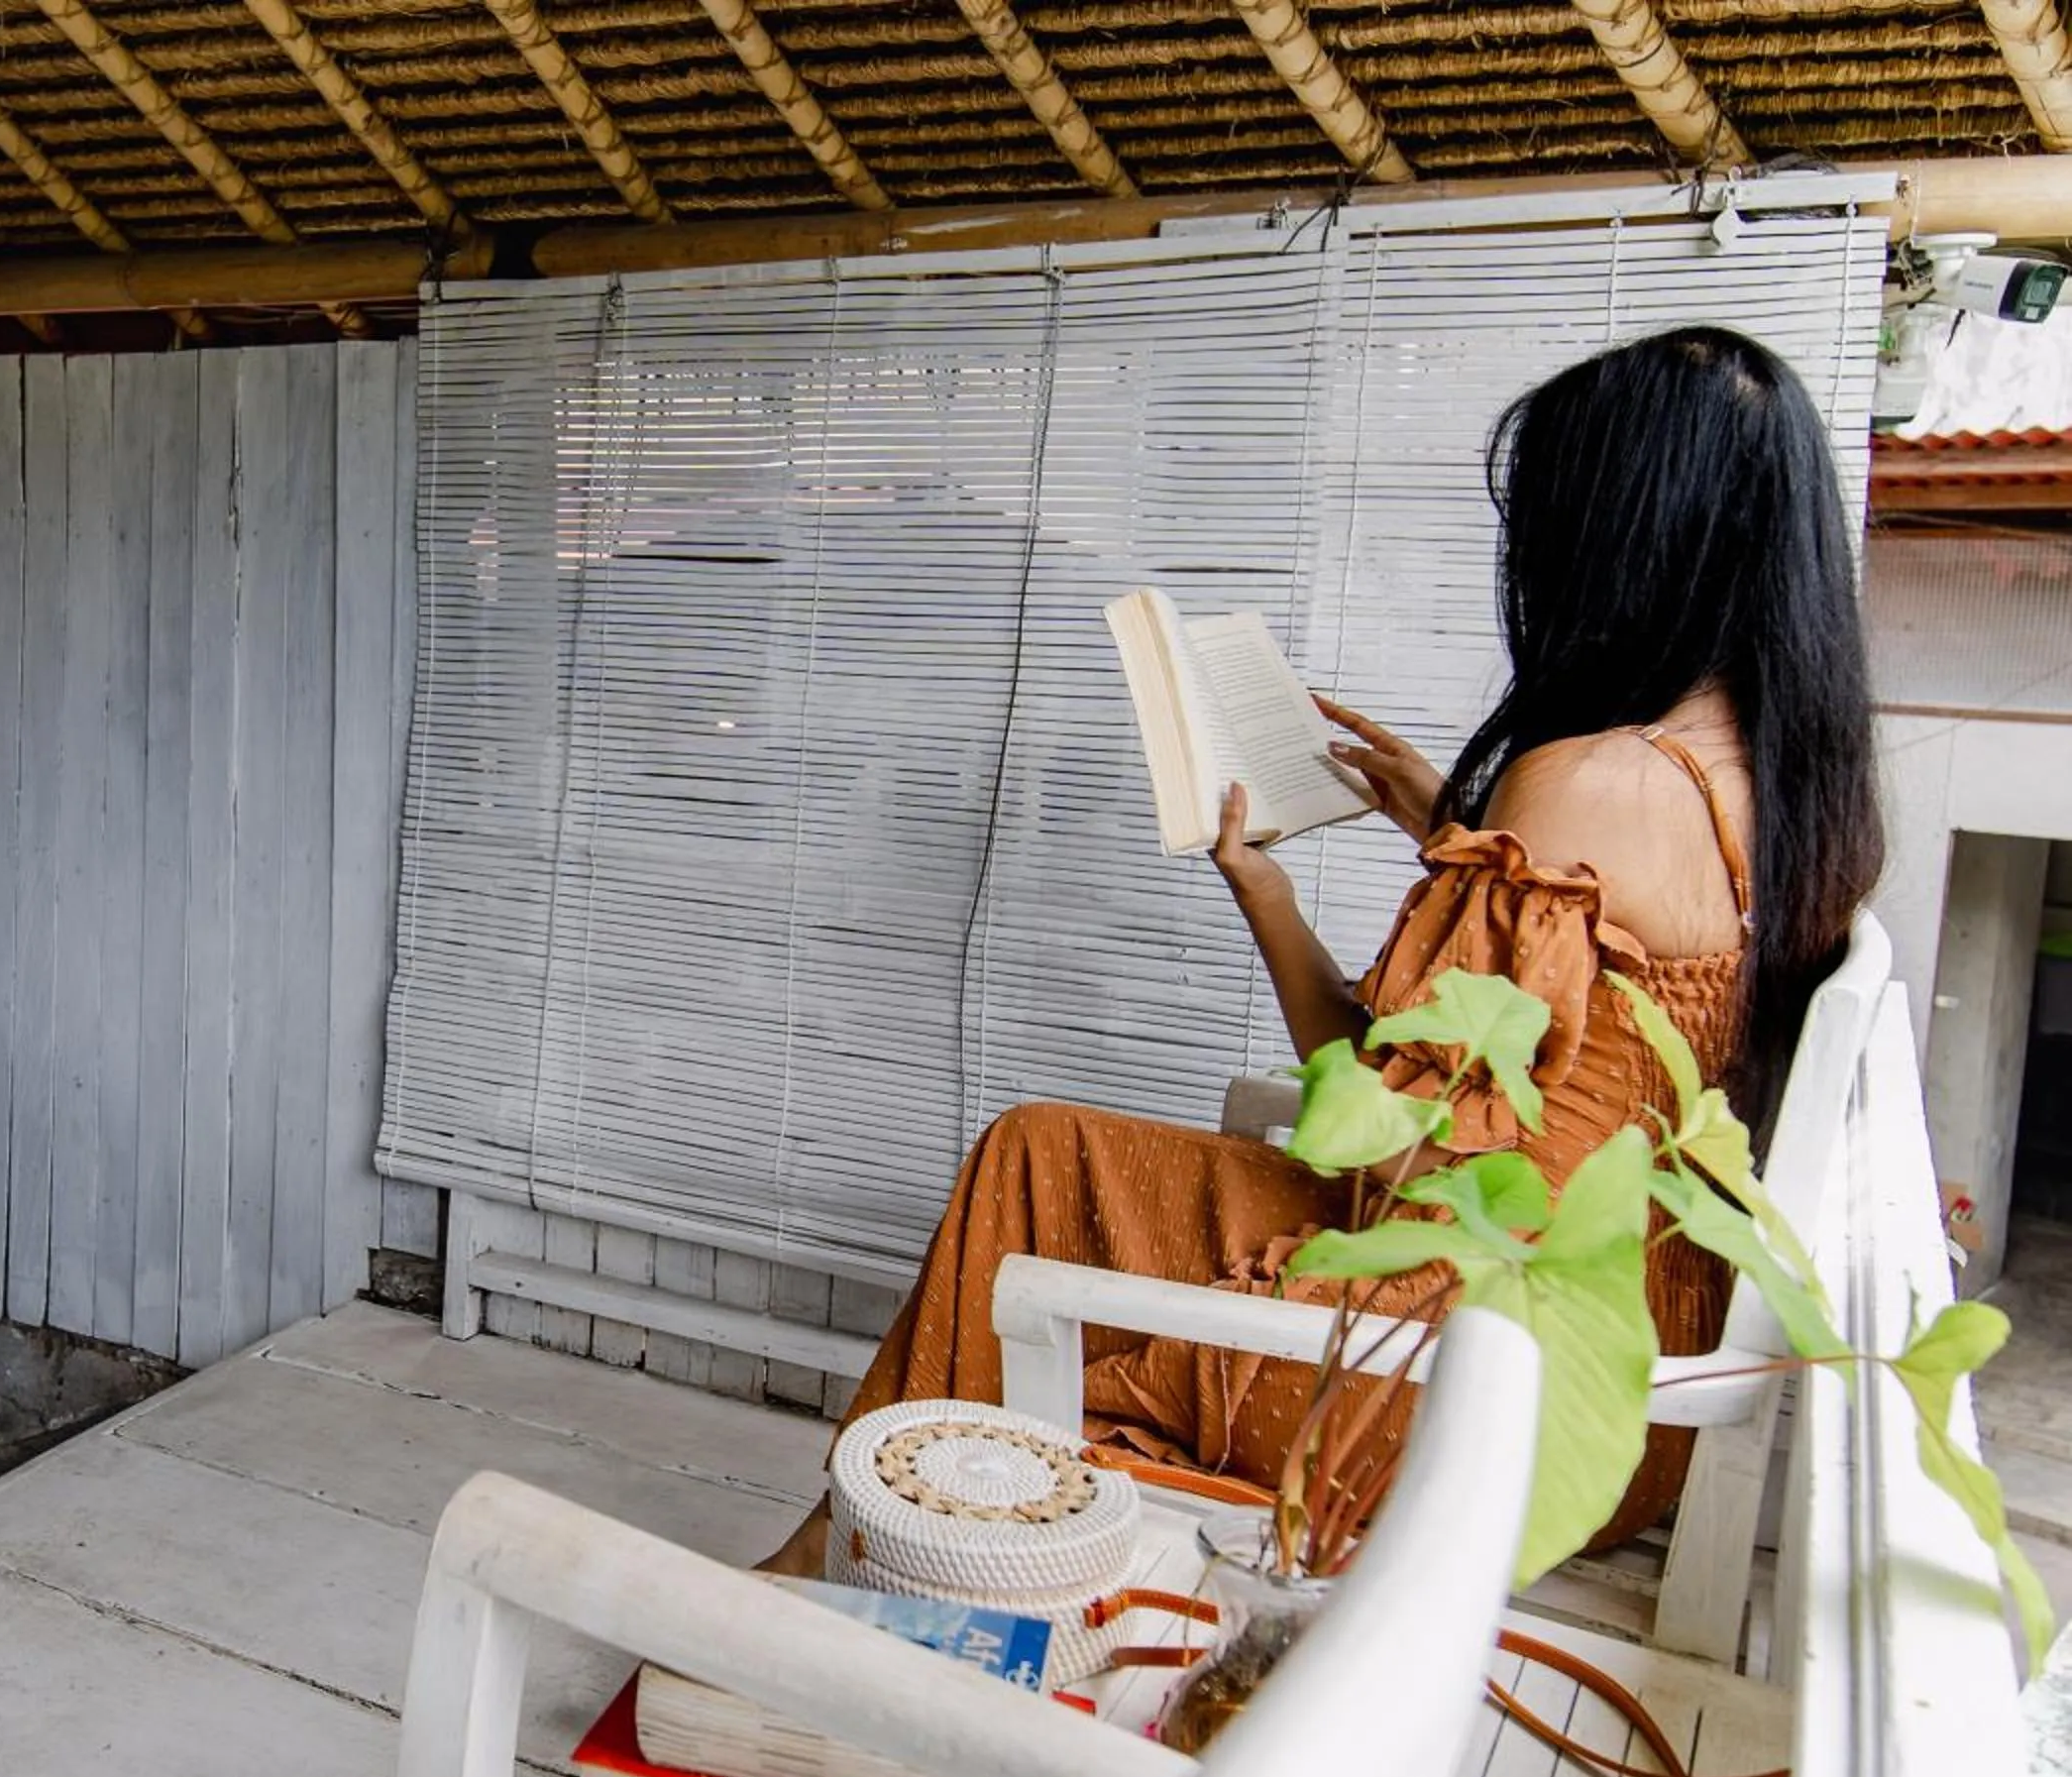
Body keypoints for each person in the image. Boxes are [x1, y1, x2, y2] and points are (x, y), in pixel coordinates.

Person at [764, 324, 1885, 1576]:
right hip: (1619, 1374)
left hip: (1458, 1369)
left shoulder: (1589, 786)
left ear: (1626, 540)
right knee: (1042, 1156)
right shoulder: (1793, 795)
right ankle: (856, 1551)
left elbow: (1386, 1133)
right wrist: (1466, 849)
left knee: (1027, 1170)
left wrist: (1264, 889)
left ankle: (859, 1565)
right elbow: (1576, 1078)